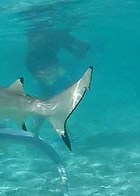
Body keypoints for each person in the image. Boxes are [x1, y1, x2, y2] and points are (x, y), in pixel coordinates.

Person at [22, 2, 90, 132]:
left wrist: (79, 49)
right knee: (54, 98)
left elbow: (72, 46)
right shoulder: (41, 37)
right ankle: (42, 131)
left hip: (46, 64)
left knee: (50, 99)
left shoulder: (54, 36)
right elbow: (34, 57)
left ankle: (37, 132)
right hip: (41, 65)